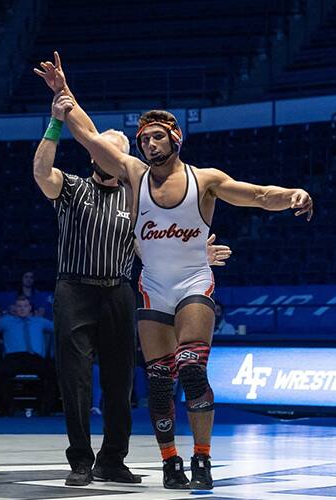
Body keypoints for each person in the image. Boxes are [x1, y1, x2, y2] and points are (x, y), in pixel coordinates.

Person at [35, 52, 312, 491]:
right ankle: (170, 462)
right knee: (160, 381)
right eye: (144, 140)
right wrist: (63, 94)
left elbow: (259, 195)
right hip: (152, 288)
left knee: (191, 368)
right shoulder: (132, 174)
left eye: (158, 138)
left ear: (176, 138)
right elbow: (87, 135)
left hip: (193, 283)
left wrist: (293, 193)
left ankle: (202, 459)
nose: (150, 145)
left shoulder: (205, 180)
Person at [32, 91, 232, 487]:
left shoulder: (136, 197)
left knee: (122, 380)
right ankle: (80, 460)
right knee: (75, 379)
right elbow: (41, 173)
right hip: (75, 289)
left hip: (119, 290)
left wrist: (195, 255)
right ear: (98, 157)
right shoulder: (73, 187)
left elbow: (152, 247)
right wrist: (56, 122)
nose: (120, 163)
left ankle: (113, 459)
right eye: (113, 154)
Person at [0, 295, 57, 416]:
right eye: (19, 306)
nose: (22, 309)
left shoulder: (40, 321)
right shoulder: (6, 321)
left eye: (25, 306)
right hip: (14, 358)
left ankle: (44, 408)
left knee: (52, 374)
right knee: (0, 373)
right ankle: (8, 408)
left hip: (35, 358)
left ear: (30, 307)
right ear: (14, 308)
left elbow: (58, 328)